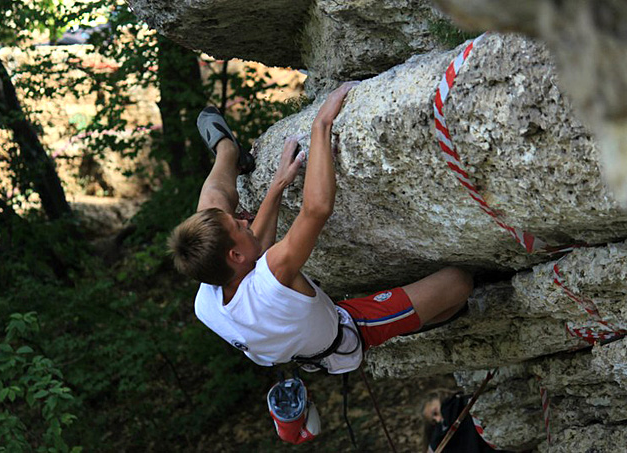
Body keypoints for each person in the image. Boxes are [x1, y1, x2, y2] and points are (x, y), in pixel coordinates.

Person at [168, 81, 473, 374]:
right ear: (234, 256)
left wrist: (277, 187)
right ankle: (425, 318)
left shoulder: (206, 301)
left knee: (210, 210)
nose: (245, 219)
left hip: (288, 331)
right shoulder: (271, 278)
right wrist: (321, 124)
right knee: (458, 282)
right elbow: (317, 208)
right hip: (348, 331)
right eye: (240, 225)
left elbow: (251, 254)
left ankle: (227, 152)